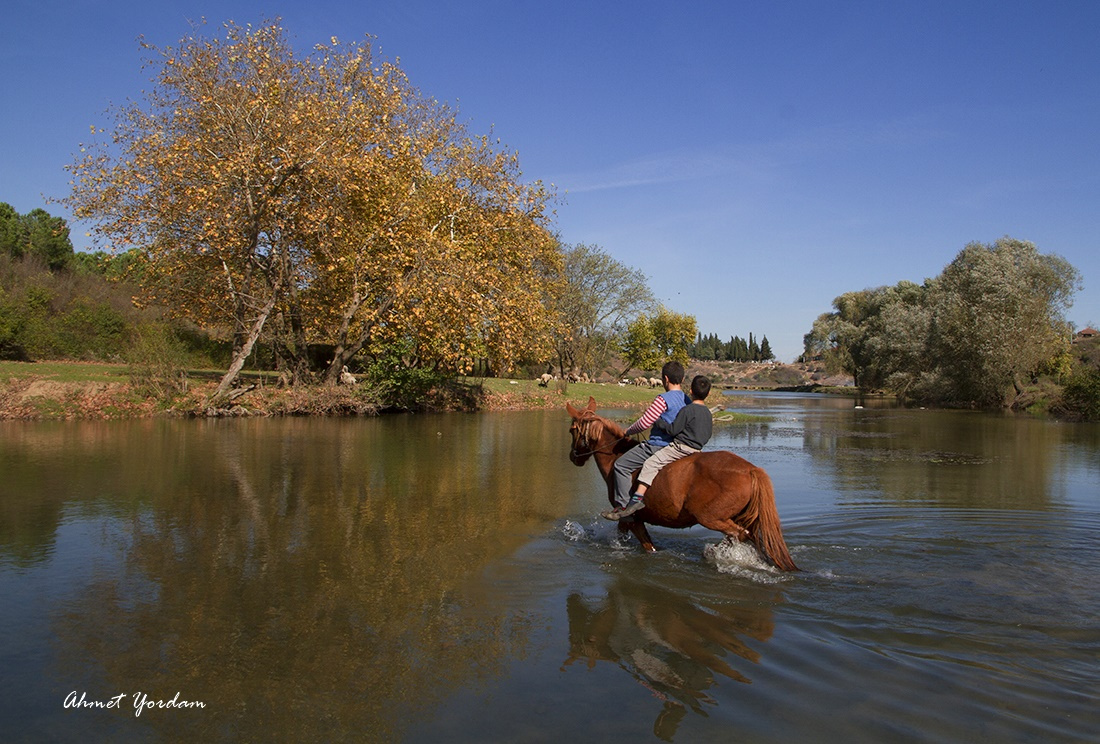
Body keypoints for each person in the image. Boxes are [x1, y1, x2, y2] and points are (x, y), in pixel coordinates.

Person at [607, 375, 713, 519]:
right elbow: (707, 434)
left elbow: (672, 430)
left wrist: (657, 422)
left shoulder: (685, 408)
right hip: (697, 448)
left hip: (678, 447)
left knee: (648, 464)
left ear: (665, 378)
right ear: (709, 393)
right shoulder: (704, 411)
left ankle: (634, 500)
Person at [600, 361, 690, 520]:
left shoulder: (663, 399)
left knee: (621, 465)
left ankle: (623, 508)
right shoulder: (687, 400)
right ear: (682, 380)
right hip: (679, 447)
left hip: (658, 445)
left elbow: (644, 423)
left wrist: (627, 431)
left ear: (665, 379)